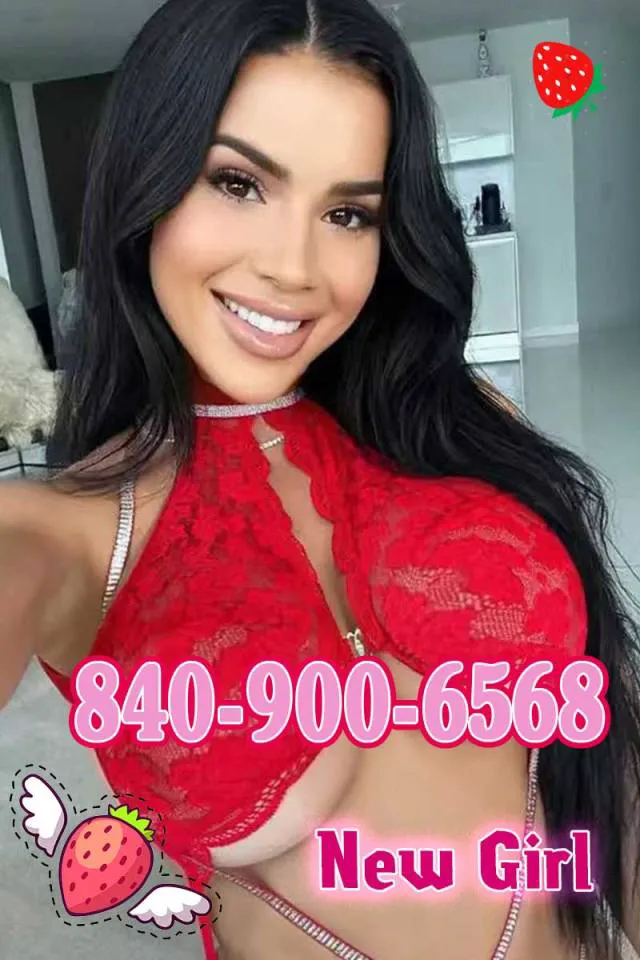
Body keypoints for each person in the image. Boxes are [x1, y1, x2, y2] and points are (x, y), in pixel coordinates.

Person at [1, 0, 639, 957]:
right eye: (238, 182)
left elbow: (607, 743)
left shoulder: (455, 421)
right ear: (145, 182)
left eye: (347, 213)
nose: (294, 268)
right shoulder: (71, 531)